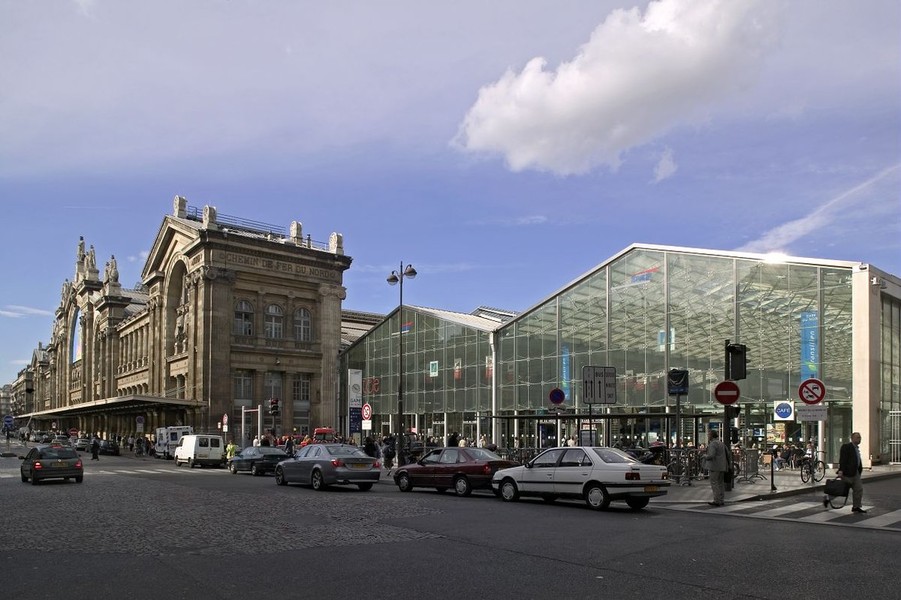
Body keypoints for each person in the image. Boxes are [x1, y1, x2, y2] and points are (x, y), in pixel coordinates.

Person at [835, 432, 866, 513]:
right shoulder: (847, 447)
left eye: (860, 437)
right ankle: (828, 498)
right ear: (852, 438)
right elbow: (843, 459)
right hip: (847, 473)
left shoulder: (857, 449)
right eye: (857, 437)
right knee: (841, 489)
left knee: (858, 489)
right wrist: (841, 470)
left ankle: (856, 506)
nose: (859, 439)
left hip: (855, 473)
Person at [704, 430, 729, 506]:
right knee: (720, 483)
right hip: (722, 466)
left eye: (708, 435)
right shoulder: (721, 443)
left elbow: (711, 455)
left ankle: (716, 500)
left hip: (714, 466)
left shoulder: (713, 444)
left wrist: (705, 456)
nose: (708, 436)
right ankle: (721, 499)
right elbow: (727, 453)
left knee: (714, 483)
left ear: (711, 436)